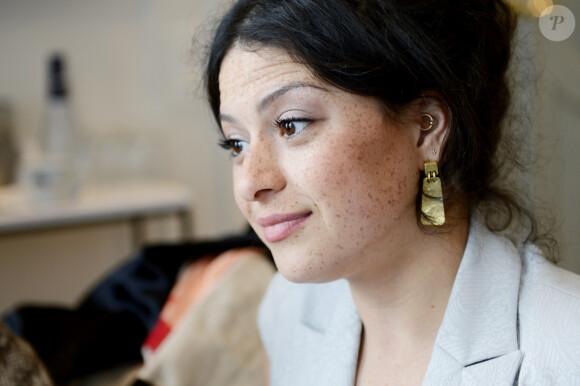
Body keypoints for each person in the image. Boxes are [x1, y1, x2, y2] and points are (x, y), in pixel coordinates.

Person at [203, 0, 580, 384]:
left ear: (426, 128)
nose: (250, 182)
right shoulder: (285, 312)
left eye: (292, 125)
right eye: (236, 144)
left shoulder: (567, 351)